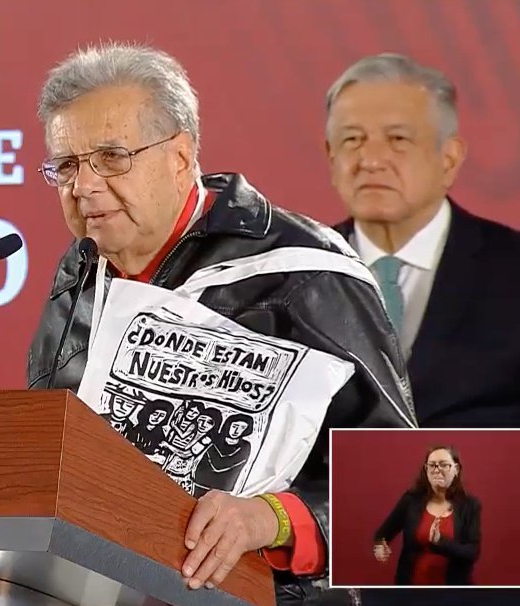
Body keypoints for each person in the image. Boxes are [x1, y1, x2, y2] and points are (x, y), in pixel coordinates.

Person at [25, 42, 416, 605]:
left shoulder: (305, 272)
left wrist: (269, 519)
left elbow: (408, 483)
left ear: (180, 157)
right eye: (66, 165)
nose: (82, 186)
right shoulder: (80, 273)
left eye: (111, 157)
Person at [326, 53, 520, 427]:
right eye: (352, 139)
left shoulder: (511, 269)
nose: (371, 160)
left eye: (397, 139)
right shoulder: (291, 275)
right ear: (330, 156)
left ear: (449, 158)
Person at [373, 446, 480, 585]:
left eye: (443, 465)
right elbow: (381, 535)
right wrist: (380, 546)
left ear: (456, 469)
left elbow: (472, 553)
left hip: (453, 589)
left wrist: (440, 542)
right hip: (411, 588)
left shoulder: (469, 505)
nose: (436, 469)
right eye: (432, 465)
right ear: (426, 470)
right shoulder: (411, 501)